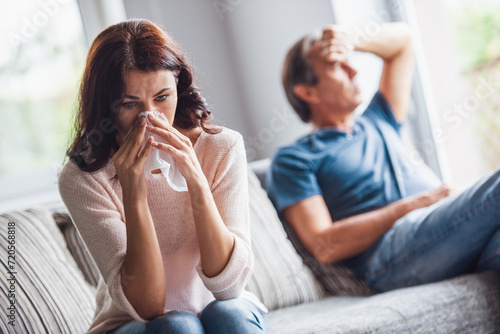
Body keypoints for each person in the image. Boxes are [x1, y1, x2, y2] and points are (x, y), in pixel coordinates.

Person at [58, 19, 267, 334]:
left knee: (230, 315)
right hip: (132, 324)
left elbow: (229, 287)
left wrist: (196, 184)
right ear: (105, 106)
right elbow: (149, 307)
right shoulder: (83, 177)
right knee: (176, 326)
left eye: (162, 97)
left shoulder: (221, 147)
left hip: (222, 311)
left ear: (178, 87)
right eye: (130, 104)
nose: (149, 118)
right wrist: (134, 193)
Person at [267, 22, 500, 293]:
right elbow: (324, 246)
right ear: (308, 91)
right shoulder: (293, 159)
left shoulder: (378, 118)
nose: (353, 70)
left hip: (445, 232)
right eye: (336, 66)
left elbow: (403, 42)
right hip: (390, 258)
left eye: (349, 61)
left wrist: (353, 39)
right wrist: (417, 204)